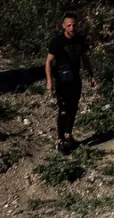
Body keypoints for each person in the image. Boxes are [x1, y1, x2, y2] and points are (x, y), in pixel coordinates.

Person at [45, 12, 96, 154]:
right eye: (69, 25)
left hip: (75, 78)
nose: (72, 28)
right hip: (62, 79)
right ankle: (60, 140)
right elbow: (48, 62)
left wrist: (91, 75)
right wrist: (49, 81)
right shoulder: (57, 42)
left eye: (74, 25)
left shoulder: (80, 40)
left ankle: (68, 135)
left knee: (73, 108)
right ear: (63, 26)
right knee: (63, 110)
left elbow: (85, 59)